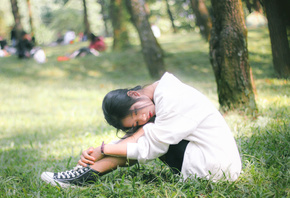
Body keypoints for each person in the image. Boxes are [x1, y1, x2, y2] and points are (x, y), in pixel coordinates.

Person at [41, 72, 242, 188]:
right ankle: (84, 174)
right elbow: (140, 138)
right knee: (145, 136)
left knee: (148, 141)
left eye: (136, 111)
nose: (142, 118)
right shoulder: (160, 95)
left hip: (215, 168)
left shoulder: (171, 98)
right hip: (207, 159)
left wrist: (103, 150)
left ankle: (83, 176)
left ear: (134, 93)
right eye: (135, 121)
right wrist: (100, 149)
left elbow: (149, 146)